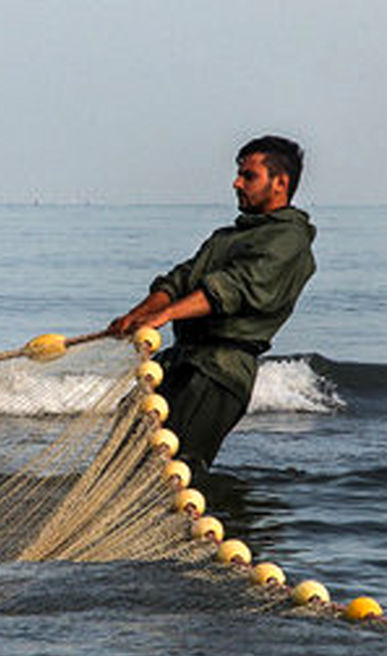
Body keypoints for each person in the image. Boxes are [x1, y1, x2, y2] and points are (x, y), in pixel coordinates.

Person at [108, 135, 316, 477]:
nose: (236, 183)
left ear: (280, 183)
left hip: (218, 375)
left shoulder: (288, 240)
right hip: (182, 362)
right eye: (238, 174)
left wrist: (166, 315)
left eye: (249, 176)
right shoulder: (225, 238)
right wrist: (139, 315)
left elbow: (234, 288)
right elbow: (179, 280)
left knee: (171, 472)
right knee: (123, 455)